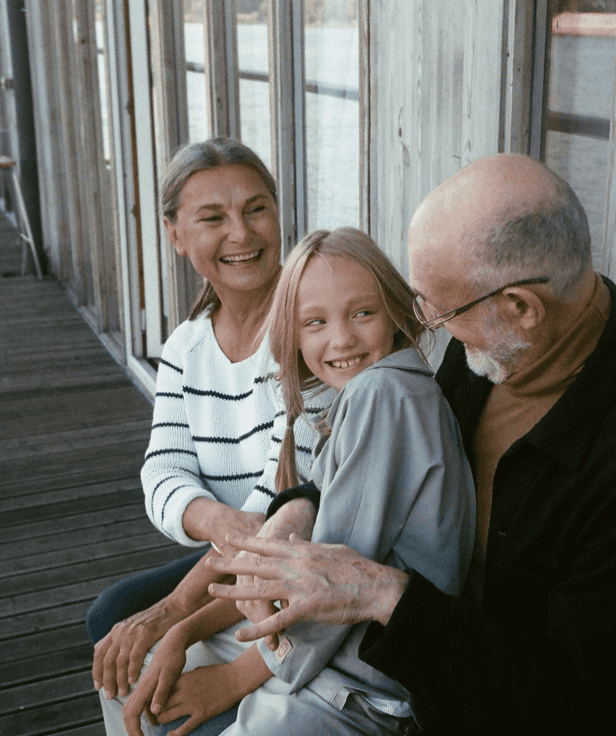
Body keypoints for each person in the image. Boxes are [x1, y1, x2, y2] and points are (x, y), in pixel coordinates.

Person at [208, 154, 616, 734]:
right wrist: (301, 505)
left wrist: (387, 598)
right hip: (387, 667)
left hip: (448, 705)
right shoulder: (488, 351)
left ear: (521, 307)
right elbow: (391, 468)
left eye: (440, 308)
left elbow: (590, 703)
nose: (426, 323)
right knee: (128, 623)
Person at [104, 228, 475, 736]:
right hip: (319, 658)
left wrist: (232, 679)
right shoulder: (363, 396)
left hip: (358, 691)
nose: (341, 338)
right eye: (315, 322)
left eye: (362, 313)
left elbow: (326, 588)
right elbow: (282, 562)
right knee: (142, 672)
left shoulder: (385, 397)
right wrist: (182, 629)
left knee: (154, 703)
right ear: (293, 336)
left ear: (395, 309)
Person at [88, 138, 328, 719]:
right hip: (235, 551)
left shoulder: (316, 330)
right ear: (176, 235)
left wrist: (176, 612)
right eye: (213, 218)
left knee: (147, 628)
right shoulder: (187, 344)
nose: (242, 235)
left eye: (256, 209)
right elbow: (163, 471)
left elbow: (281, 509)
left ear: (279, 213)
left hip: (304, 554)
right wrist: (220, 520)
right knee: (112, 615)